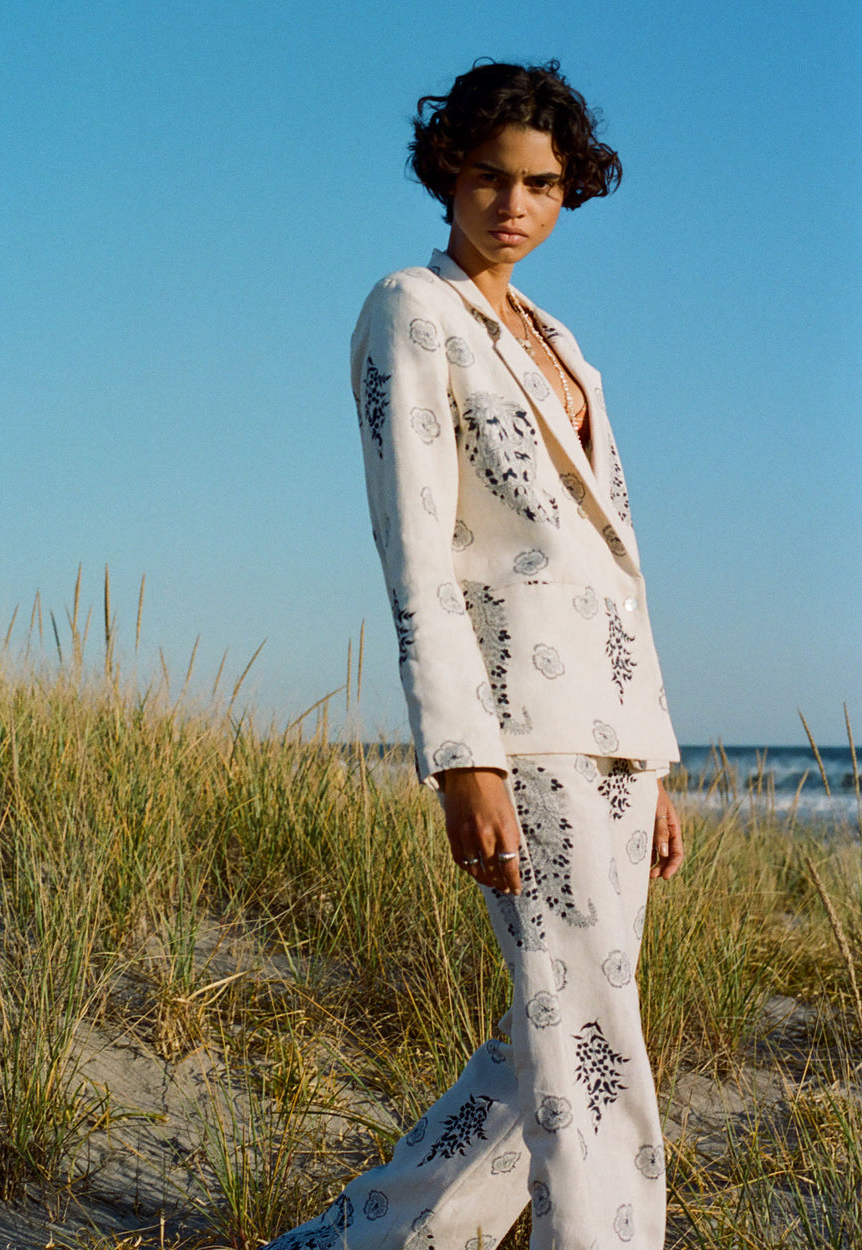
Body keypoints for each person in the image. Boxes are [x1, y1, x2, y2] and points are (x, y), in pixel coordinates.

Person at [267, 59, 684, 1250]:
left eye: (541, 184)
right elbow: (417, 548)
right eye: (491, 176)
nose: (514, 204)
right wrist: (464, 759)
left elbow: (617, 561)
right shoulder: (411, 309)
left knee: (545, 1036)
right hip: (521, 728)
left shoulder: (563, 342)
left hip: (612, 735)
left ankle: (349, 1243)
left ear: (569, 192)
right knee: (589, 1044)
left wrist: (655, 753)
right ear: (447, 169)